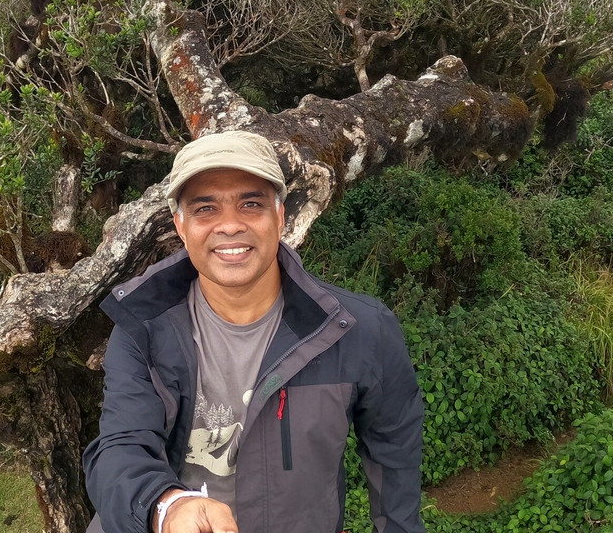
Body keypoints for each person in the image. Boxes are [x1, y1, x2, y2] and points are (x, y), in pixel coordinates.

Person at [83, 131, 424, 533]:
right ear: (180, 226)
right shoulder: (142, 327)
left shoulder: (358, 330)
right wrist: (167, 507)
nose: (230, 225)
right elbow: (119, 449)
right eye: (205, 208)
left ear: (280, 217)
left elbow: (395, 455)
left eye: (251, 204)